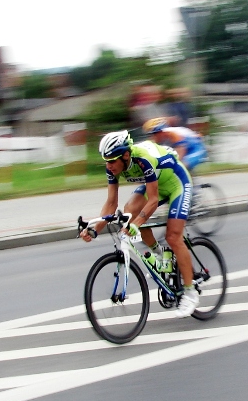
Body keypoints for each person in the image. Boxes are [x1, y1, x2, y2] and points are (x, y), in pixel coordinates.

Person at [79, 130, 199, 318]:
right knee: (130, 210)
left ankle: (190, 292)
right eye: (106, 161)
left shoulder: (143, 159)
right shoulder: (113, 166)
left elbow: (152, 200)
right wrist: (94, 230)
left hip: (177, 184)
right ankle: (160, 255)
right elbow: (111, 204)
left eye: (112, 161)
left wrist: (137, 224)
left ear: (126, 155)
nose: (108, 166)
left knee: (173, 236)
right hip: (157, 185)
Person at [142, 117, 208, 175]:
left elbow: (181, 153)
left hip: (197, 149)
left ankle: (187, 187)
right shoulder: (162, 136)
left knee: (181, 165)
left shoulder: (173, 134)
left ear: (160, 132)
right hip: (187, 149)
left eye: (153, 134)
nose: (152, 137)